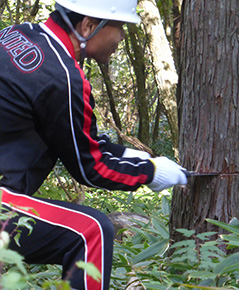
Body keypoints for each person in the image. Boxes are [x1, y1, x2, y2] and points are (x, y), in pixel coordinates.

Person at [0, 0, 187, 289]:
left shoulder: (18, 34)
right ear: (88, 25)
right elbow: (91, 168)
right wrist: (151, 173)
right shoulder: (62, 77)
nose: (122, 37)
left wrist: (128, 154)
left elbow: (78, 138)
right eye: (120, 27)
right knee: (93, 230)